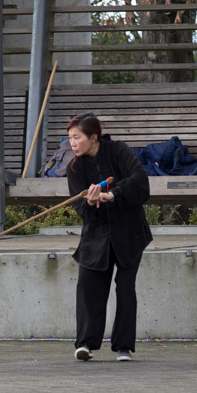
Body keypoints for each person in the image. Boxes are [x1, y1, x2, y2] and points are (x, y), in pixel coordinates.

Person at [66, 113, 152, 362]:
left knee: (125, 288)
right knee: (88, 285)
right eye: (69, 138)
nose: (72, 143)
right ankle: (85, 344)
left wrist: (111, 195)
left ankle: (123, 347)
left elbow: (140, 181)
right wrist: (92, 203)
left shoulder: (118, 151)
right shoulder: (75, 168)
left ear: (93, 137)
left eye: (77, 137)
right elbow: (83, 212)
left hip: (129, 233)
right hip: (96, 237)